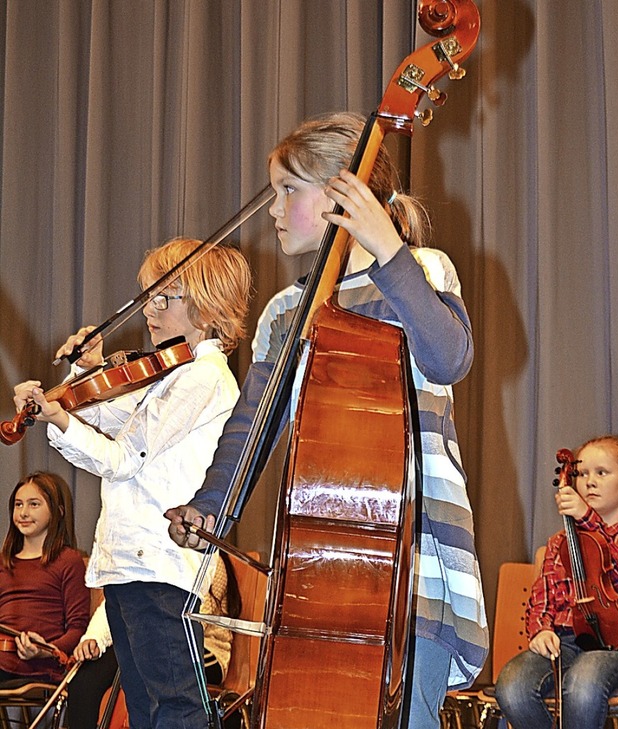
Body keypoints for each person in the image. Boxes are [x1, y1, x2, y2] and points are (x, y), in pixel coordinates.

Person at [165, 112, 488, 729]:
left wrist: (389, 251)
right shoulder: (289, 310)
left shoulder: (421, 270)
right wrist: (211, 507)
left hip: (416, 561)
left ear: (345, 194)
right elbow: (250, 429)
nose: (274, 208)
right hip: (322, 572)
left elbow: (449, 358)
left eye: (290, 189)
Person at [12, 237, 252, 729]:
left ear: (207, 305)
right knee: (145, 709)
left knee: (175, 709)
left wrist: (58, 417)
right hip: (130, 565)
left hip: (158, 564)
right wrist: (86, 371)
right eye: (149, 297)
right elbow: (110, 410)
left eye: (166, 296)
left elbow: (121, 457)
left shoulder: (203, 377)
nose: (151, 309)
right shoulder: (171, 373)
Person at [495, 434, 618, 729]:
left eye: (602, 472)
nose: (589, 482)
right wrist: (541, 631)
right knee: (513, 686)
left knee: (584, 680)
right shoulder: (560, 542)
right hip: (568, 642)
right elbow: (542, 598)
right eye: (582, 473)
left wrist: (589, 519)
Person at [66, 550, 240, 729]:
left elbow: (190, 622)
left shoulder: (206, 554)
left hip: (202, 650)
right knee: (87, 676)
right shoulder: (144, 547)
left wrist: (141, 636)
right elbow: (121, 600)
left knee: (149, 661)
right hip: (150, 637)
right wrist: (95, 638)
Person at [0, 471, 90, 684]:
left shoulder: (69, 560)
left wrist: (47, 650)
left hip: (42, 666)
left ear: (57, 512)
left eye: (34, 504)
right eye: (18, 504)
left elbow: (78, 627)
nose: (23, 513)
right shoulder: (3, 562)